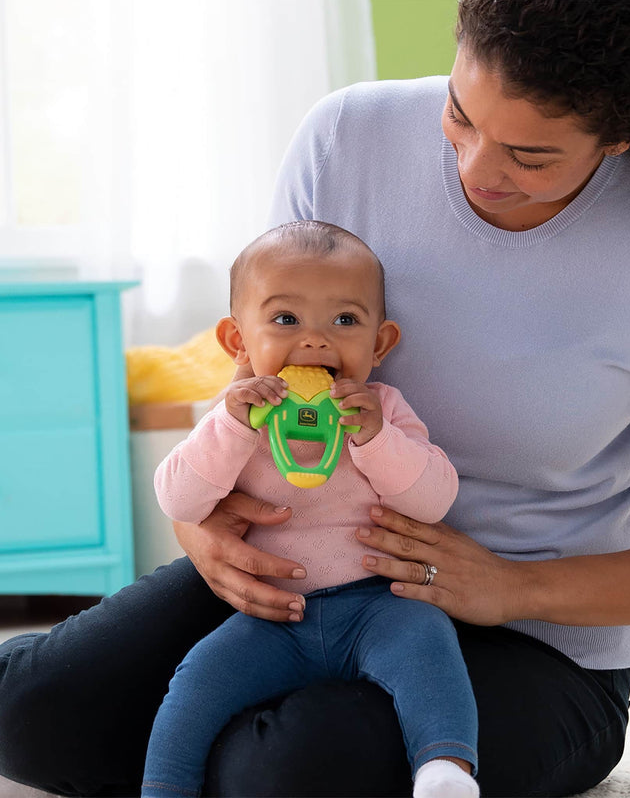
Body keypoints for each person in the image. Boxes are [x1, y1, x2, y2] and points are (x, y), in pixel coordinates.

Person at [1, 0, 630, 796]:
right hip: (298, 578)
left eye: (531, 155)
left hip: (535, 641)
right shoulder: (346, 136)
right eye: (460, 115)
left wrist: (512, 587)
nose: (478, 169)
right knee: (28, 714)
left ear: (619, 137)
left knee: (284, 769)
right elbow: (257, 369)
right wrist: (198, 523)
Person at [140, 220, 478, 798]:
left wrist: (374, 439)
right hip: (274, 618)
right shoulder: (234, 413)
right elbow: (179, 499)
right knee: (196, 679)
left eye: (345, 321)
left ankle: (444, 769)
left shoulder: (385, 409)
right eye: (285, 319)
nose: (316, 341)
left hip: (378, 605)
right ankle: (164, 789)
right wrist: (232, 426)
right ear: (237, 341)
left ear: (380, 343)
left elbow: (434, 499)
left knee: (430, 643)